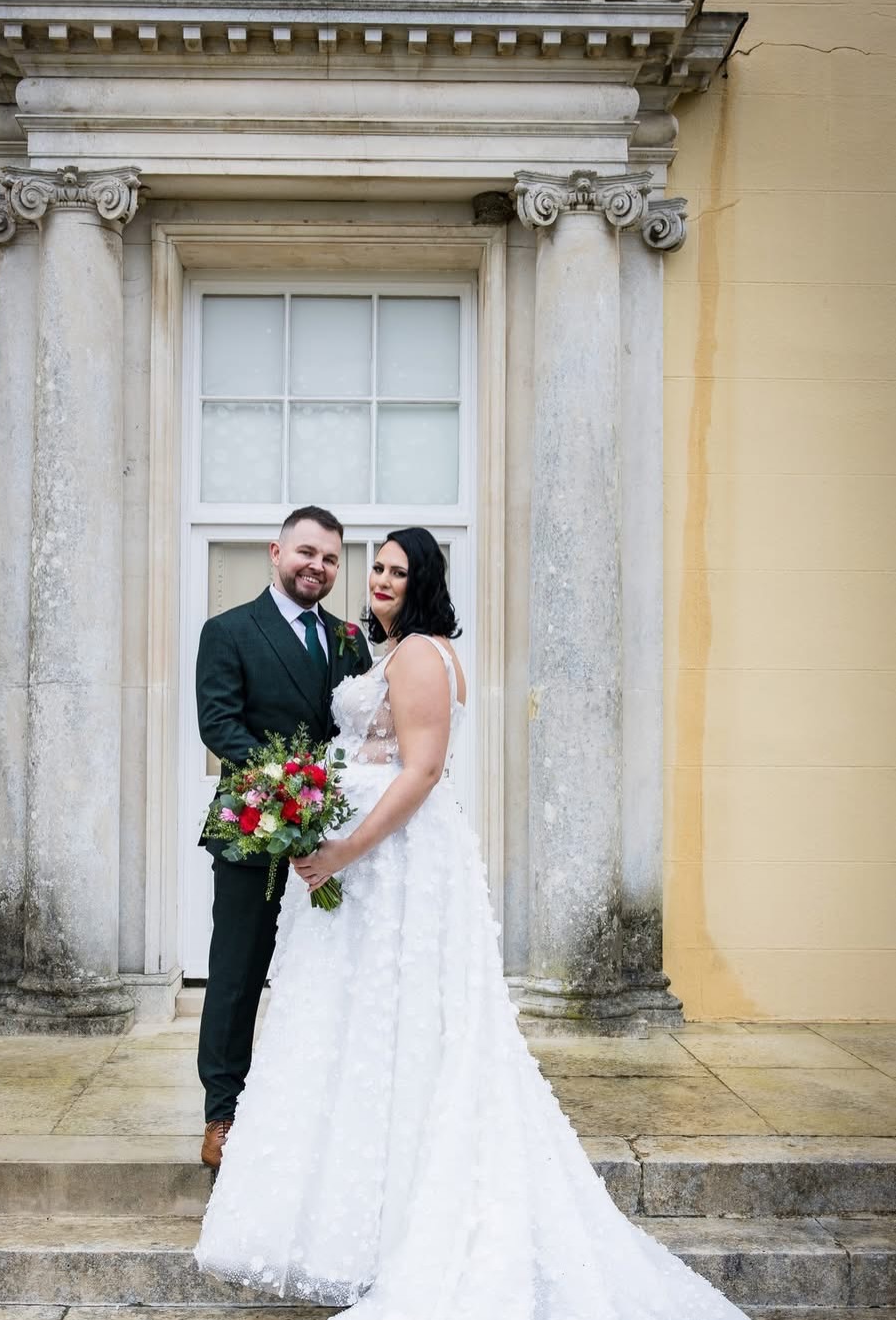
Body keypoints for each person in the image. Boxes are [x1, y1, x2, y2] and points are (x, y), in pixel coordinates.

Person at [196, 526, 750, 1320]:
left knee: (398, 1018)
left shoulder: (417, 652)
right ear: (283, 555)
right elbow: (275, 730)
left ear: (421, 581)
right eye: (374, 567)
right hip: (331, 853)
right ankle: (298, 1171)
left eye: (395, 569)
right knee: (335, 1015)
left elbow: (419, 768)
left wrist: (341, 846)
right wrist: (305, 808)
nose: (377, 578)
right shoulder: (365, 647)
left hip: (380, 858)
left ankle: (397, 1211)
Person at [194, 505, 372, 1171]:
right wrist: (289, 784)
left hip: (328, 839)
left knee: (324, 974)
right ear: (275, 551)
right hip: (250, 828)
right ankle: (221, 1115)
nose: (316, 566)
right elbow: (219, 725)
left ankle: (317, 1112)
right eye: (305, 552)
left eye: (329, 558)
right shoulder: (228, 630)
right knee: (236, 976)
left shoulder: (348, 638)